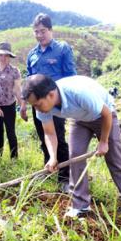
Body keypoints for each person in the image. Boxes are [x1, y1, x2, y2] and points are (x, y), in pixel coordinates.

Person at [22, 74, 121, 219]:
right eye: (33, 105)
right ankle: (81, 206)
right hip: (80, 119)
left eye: (37, 104)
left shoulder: (79, 93)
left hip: (104, 116)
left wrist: (103, 142)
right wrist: (52, 157)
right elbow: (50, 134)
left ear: (51, 95)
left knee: (115, 159)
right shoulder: (42, 107)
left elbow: (106, 114)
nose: (36, 109)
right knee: (75, 156)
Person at [20, 13, 77, 192]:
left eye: (42, 31)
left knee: (58, 139)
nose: (39, 35)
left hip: (56, 103)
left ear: (50, 30)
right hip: (38, 105)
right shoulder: (32, 54)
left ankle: (64, 178)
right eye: (36, 32)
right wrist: (23, 103)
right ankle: (49, 169)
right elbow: (28, 81)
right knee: (45, 138)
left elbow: (70, 76)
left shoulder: (62, 49)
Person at [0, 42, 22, 158]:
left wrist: (22, 105)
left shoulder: (15, 71)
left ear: (9, 57)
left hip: (9, 106)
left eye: (6, 55)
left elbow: (17, 89)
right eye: (1, 55)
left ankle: (14, 158)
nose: (3, 58)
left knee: (10, 132)